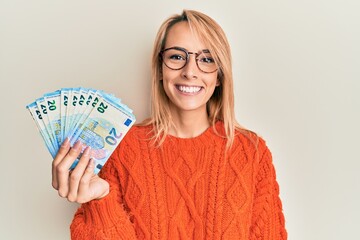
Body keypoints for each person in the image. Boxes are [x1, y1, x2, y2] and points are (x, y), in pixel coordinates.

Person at [52, 9, 287, 240]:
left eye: (206, 59)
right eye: (177, 56)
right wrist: (100, 201)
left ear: (219, 76)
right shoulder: (123, 149)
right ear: (160, 68)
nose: (190, 72)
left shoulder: (251, 153)